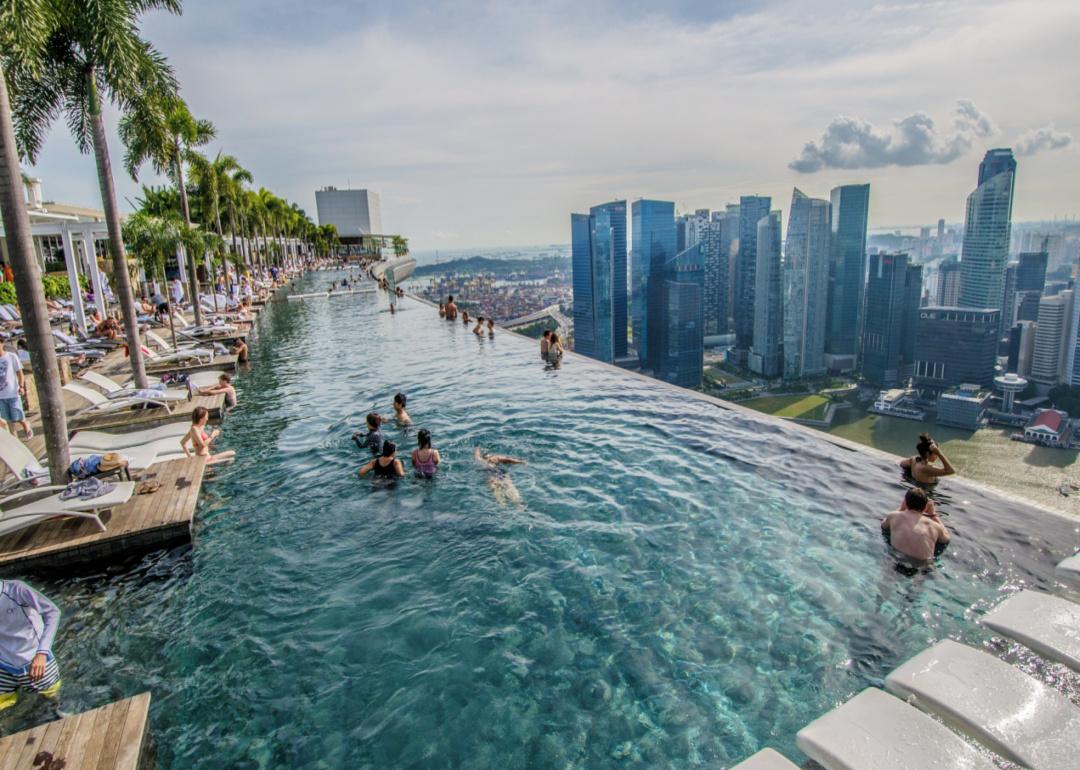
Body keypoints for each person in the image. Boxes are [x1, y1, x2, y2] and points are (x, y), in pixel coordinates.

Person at [0, 579, 62, 711]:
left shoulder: (16, 590)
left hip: (36, 663)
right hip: (4, 667)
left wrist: (42, 654)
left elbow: (53, 612)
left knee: (54, 706)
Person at [881, 487, 951, 561]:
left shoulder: (893, 516)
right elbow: (946, 539)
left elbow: (883, 525)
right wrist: (933, 514)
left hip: (898, 559)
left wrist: (901, 508)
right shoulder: (934, 526)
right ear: (925, 507)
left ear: (905, 502)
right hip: (924, 565)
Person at [0, 338, 31, 439]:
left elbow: (20, 373)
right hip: (1, 396)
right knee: (8, 420)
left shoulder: (11, 356)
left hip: (13, 392)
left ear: (2, 343)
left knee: (17, 416)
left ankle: (25, 424)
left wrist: (21, 386)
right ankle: (15, 440)